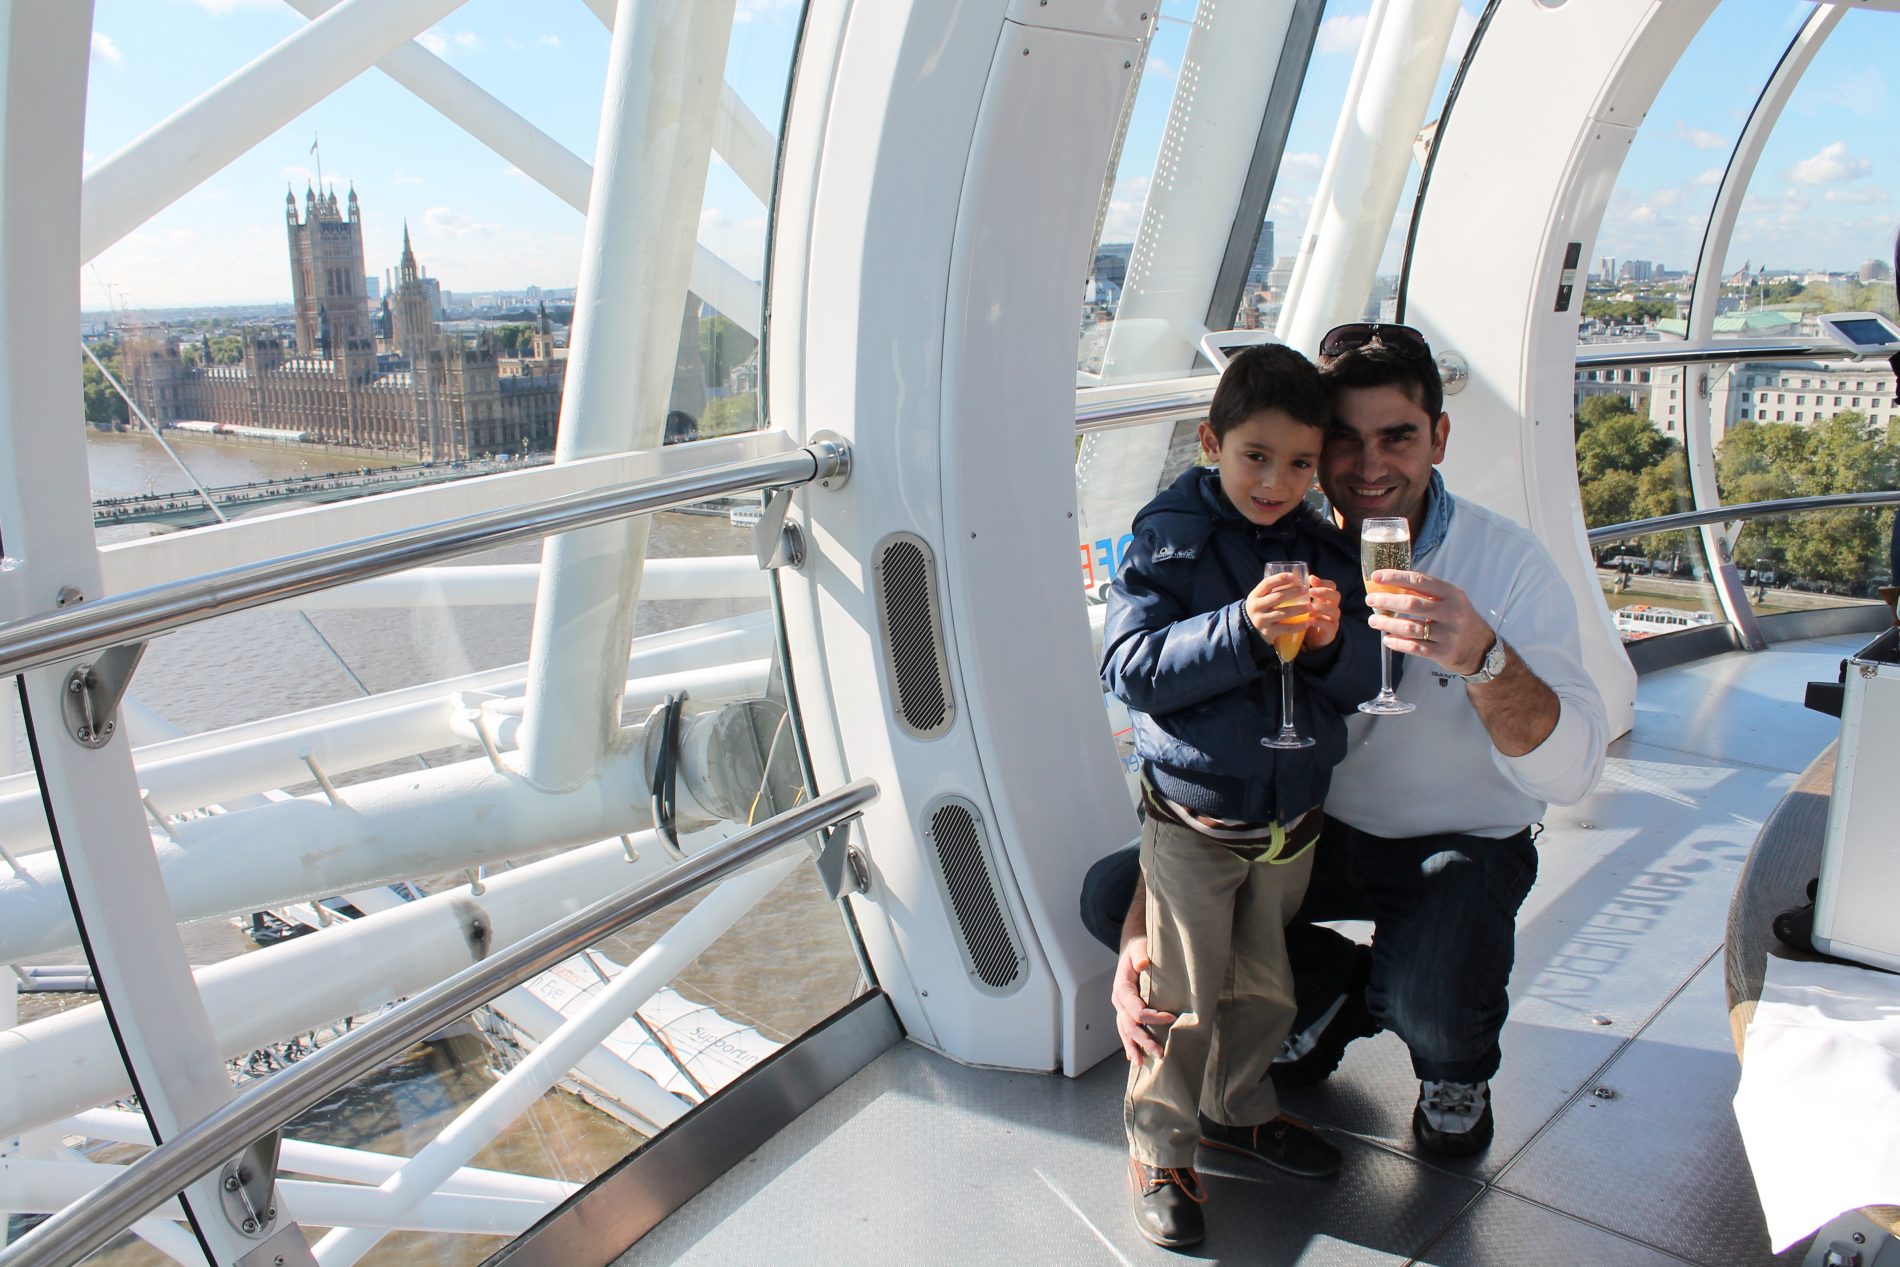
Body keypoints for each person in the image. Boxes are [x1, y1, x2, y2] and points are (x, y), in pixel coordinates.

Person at [1083, 322, 1608, 1163]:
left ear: (1439, 437)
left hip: (1458, 843)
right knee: (1116, 898)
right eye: (1342, 443)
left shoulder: (1507, 566)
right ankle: (1337, 999)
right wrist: (1152, 913)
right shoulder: (1296, 548)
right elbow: (1167, 691)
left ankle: (1445, 1049)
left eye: (1396, 436)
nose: (1367, 467)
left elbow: (1576, 770)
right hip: (1312, 830)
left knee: (1435, 988)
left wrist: (1482, 657)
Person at [1101, 344, 1380, 1249]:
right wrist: (1241, 630)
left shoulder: (1323, 544)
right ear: (1212, 441)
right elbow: (1129, 669)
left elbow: (1364, 678)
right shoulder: (1170, 537)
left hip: (1289, 822)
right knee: (1178, 995)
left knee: (1265, 986)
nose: (1277, 480)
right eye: (1256, 455)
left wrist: (1337, 645)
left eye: (1300, 462)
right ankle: (1159, 1145)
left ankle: (1237, 1107)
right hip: (1195, 819)